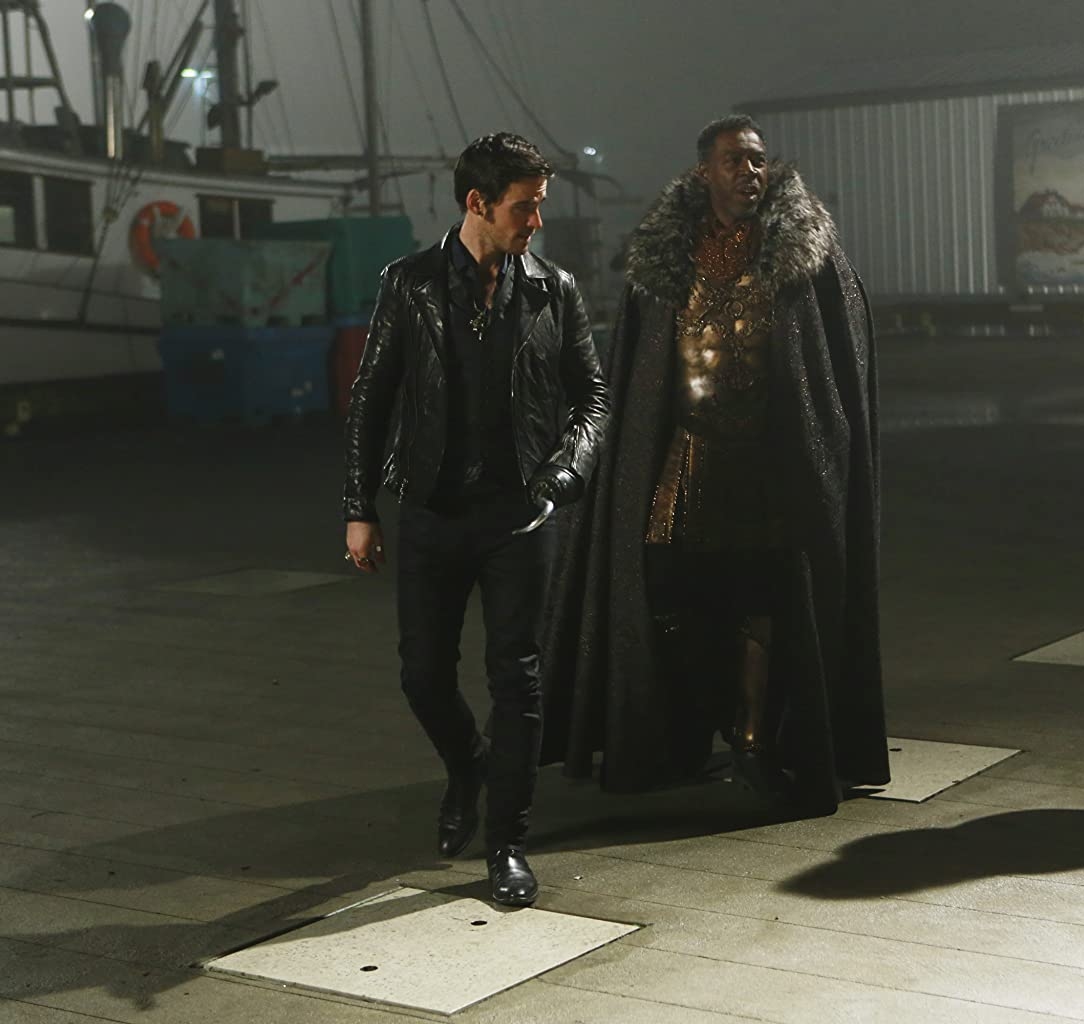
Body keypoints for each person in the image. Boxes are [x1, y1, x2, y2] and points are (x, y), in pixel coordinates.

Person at [542, 114, 888, 812]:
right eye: (734, 160)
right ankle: (685, 728)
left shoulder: (803, 257)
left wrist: (822, 448)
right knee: (669, 593)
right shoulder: (666, 261)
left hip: (767, 463)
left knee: (764, 600)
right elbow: (639, 371)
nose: (750, 172)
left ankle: (755, 740)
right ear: (706, 172)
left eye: (758, 160)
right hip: (685, 457)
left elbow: (836, 363)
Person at [342, 133, 609, 906]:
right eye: (525, 207)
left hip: (521, 517)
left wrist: (565, 472)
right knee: (422, 674)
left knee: (516, 679)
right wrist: (359, 507)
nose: (537, 222)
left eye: (539, 206)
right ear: (477, 204)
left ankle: (508, 842)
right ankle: (469, 765)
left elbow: (593, 397)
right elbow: (372, 397)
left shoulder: (554, 290)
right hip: (431, 512)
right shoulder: (410, 284)